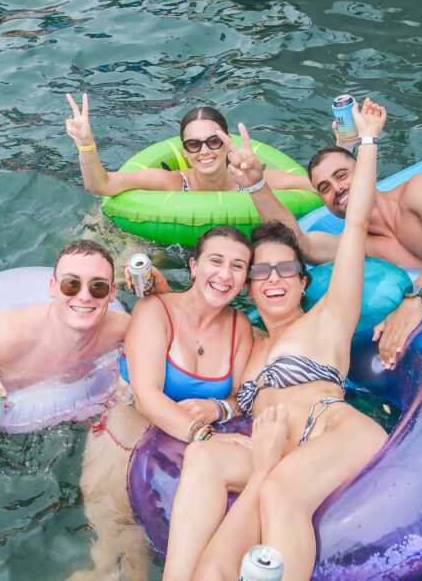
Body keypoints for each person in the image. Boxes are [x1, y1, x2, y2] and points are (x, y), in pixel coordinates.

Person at [162, 98, 388, 581]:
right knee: (202, 456)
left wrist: (366, 142)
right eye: (260, 271)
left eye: (287, 268)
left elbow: (356, 222)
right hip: (268, 447)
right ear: (248, 286)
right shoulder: (249, 341)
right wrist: (220, 410)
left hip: (334, 434)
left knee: (279, 490)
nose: (274, 278)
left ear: (304, 281)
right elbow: (232, 395)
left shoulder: (330, 316)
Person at [72, 226, 255, 581]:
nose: (224, 274)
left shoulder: (241, 328)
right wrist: (206, 437)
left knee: (144, 561)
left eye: (238, 266)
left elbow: (238, 397)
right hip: (129, 423)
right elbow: (146, 396)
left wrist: (220, 409)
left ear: (246, 278)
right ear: (194, 266)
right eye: (215, 261)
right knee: (109, 555)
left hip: (177, 446)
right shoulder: (154, 309)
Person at [223, 109, 422, 367]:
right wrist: (256, 184)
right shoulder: (357, 243)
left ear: (364, 171)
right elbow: (299, 242)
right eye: (324, 188)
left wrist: (415, 301)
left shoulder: (419, 189)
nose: (337, 188)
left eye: (342, 175)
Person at [0, 239, 159, 417]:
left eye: (97, 287)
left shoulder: (121, 328)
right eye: (71, 284)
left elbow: (161, 340)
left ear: (111, 293)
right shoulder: (11, 334)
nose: (84, 296)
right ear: (53, 288)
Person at [64, 93, 313, 195]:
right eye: (194, 144)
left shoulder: (254, 180)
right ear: (185, 151)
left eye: (213, 141)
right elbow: (101, 184)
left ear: (227, 144)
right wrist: (87, 145)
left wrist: (344, 146)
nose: (204, 151)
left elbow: (319, 186)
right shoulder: (172, 182)